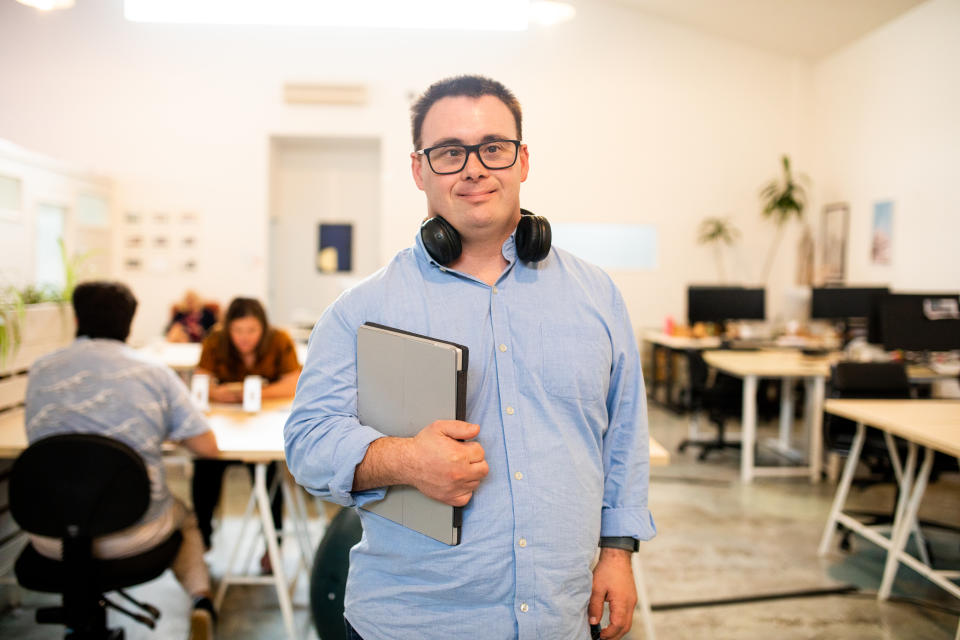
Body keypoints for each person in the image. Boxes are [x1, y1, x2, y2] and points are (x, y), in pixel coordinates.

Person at [284, 75, 655, 640]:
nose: (474, 168)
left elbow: (623, 435)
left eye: (493, 148)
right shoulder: (362, 309)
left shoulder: (597, 294)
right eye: (450, 152)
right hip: (412, 620)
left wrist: (618, 551)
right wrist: (405, 460)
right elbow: (307, 442)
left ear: (522, 160)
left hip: (561, 616)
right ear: (419, 170)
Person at [25, 281, 219, 640]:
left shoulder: (40, 370)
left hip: (50, 535)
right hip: (134, 532)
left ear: (77, 318)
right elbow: (207, 447)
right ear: (130, 322)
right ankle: (201, 601)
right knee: (186, 517)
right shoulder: (154, 373)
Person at [191, 297, 301, 556]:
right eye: (238, 331)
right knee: (204, 464)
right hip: (227, 424)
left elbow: (295, 383)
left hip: (265, 423)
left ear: (263, 327)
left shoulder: (279, 340)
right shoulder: (215, 341)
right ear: (228, 329)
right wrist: (220, 395)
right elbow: (200, 382)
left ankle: (272, 546)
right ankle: (203, 538)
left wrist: (256, 394)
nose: (244, 338)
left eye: (252, 330)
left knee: (267, 471)